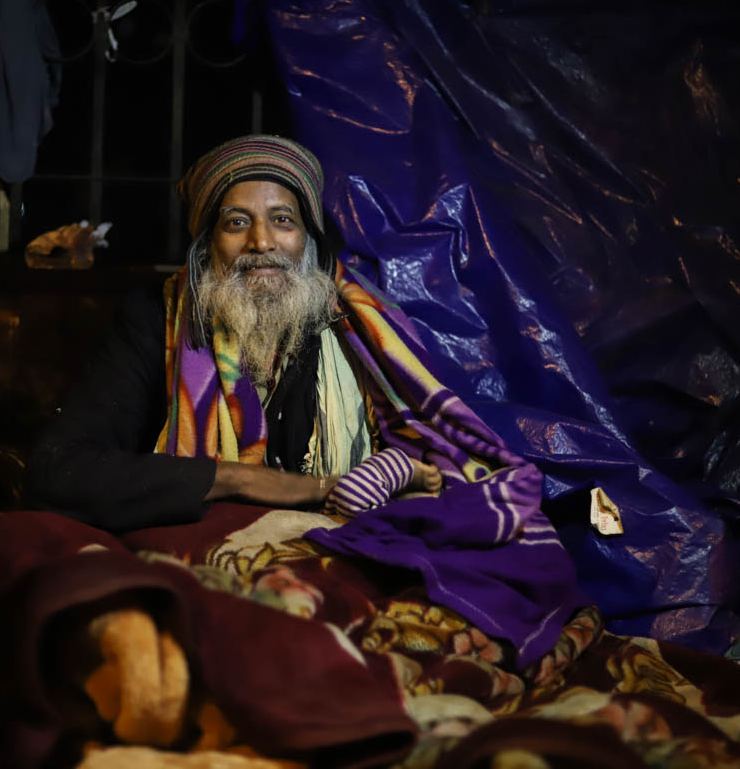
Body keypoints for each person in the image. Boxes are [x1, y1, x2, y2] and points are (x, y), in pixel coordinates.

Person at [28, 135, 445, 532]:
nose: (261, 241)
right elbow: (59, 469)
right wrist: (241, 480)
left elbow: (435, 458)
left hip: (341, 538)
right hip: (210, 548)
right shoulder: (158, 318)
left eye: (283, 220)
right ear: (208, 243)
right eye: (236, 222)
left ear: (308, 237)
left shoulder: (361, 324)